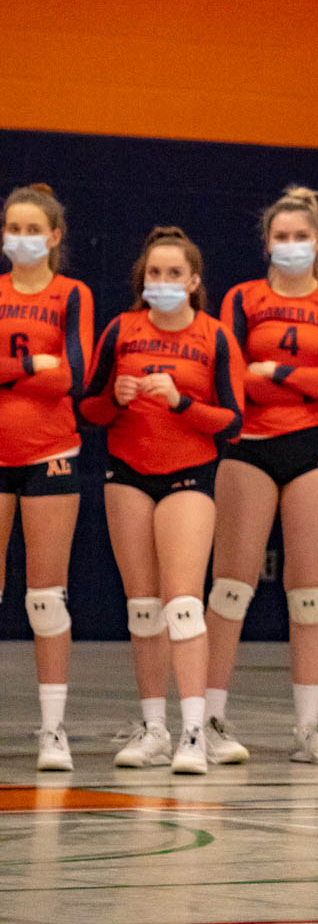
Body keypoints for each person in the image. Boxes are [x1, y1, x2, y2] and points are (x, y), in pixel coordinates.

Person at [205, 187, 318, 765]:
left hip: (316, 447)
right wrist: (307, 374)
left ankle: (308, 729)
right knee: (230, 587)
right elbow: (229, 376)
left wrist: (271, 367)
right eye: (281, 237)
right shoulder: (242, 299)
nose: (291, 246)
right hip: (250, 446)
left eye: (302, 237)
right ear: (266, 243)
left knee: (309, 596)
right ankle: (209, 722)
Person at [81, 227, 244, 775]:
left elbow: (232, 422)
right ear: (142, 280)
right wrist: (115, 398)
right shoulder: (121, 330)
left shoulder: (215, 336)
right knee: (143, 607)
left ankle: (194, 733)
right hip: (126, 474)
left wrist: (181, 402)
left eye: (175, 274)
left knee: (182, 603)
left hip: (189, 476)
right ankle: (153, 729)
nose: (164, 282)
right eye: (155, 273)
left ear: (194, 281)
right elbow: (91, 408)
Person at [0, 184, 93, 771]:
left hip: (50, 452)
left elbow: (77, 377)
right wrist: (34, 364)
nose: (21, 238)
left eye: (34, 229)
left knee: (44, 597)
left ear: (55, 237)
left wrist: (12, 377)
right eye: (13, 227)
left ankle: (52, 730)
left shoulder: (71, 295)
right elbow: (53, 370)